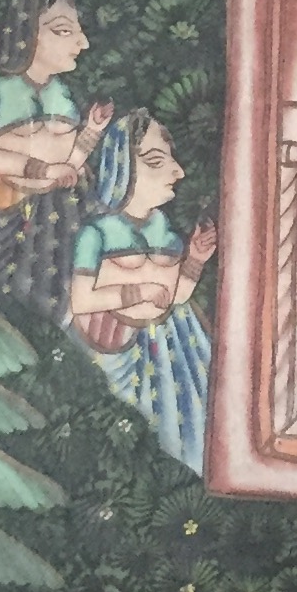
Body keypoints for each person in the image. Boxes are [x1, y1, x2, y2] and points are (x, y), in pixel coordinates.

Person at [0, 0, 114, 316]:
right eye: (64, 31)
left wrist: (91, 133)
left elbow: (69, 164)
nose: (82, 42)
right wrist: (40, 169)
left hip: (49, 228)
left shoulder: (63, 97)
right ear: (27, 33)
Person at [67, 109, 217, 473]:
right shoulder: (97, 234)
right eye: (156, 161)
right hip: (114, 351)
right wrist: (136, 293)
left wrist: (195, 260)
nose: (178, 172)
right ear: (122, 168)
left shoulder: (165, 232)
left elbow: (175, 297)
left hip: (170, 349)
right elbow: (81, 300)